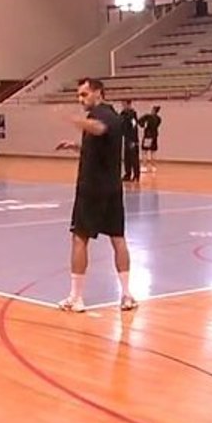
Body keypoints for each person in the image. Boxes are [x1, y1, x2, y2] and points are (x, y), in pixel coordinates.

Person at [55, 77, 136, 312]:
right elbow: (101, 143)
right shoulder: (115, 116)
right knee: (118, 238)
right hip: (112, 188)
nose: (81, 99)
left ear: (98, 93)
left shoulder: (100, 115)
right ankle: (127, 295)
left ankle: (76, 298)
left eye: (84, 94)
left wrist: (75, 120)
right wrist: (76, 146)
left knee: (79, 238)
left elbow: (98, 128)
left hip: (92, 189)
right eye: (79, 96)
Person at [121, 99, 140, 182]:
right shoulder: (122, 114)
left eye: (124, 104)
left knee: (134, 158)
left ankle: (136, 175)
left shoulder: (132, 114)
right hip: (126, 138)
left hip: (132, 139)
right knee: (127, 158)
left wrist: (134, 140)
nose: (123, 106)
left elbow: (134, 126)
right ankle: (127, 174)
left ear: (129, 104)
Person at [138, 105, 162, 173]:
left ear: (153, 110)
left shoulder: (148, 117)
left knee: (144, 151)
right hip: (155, 136)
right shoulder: (159, 118)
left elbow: (140, 121)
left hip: (148, 136)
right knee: (153, 151)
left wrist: (143, 125)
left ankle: (144, 166)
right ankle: (153, 167)